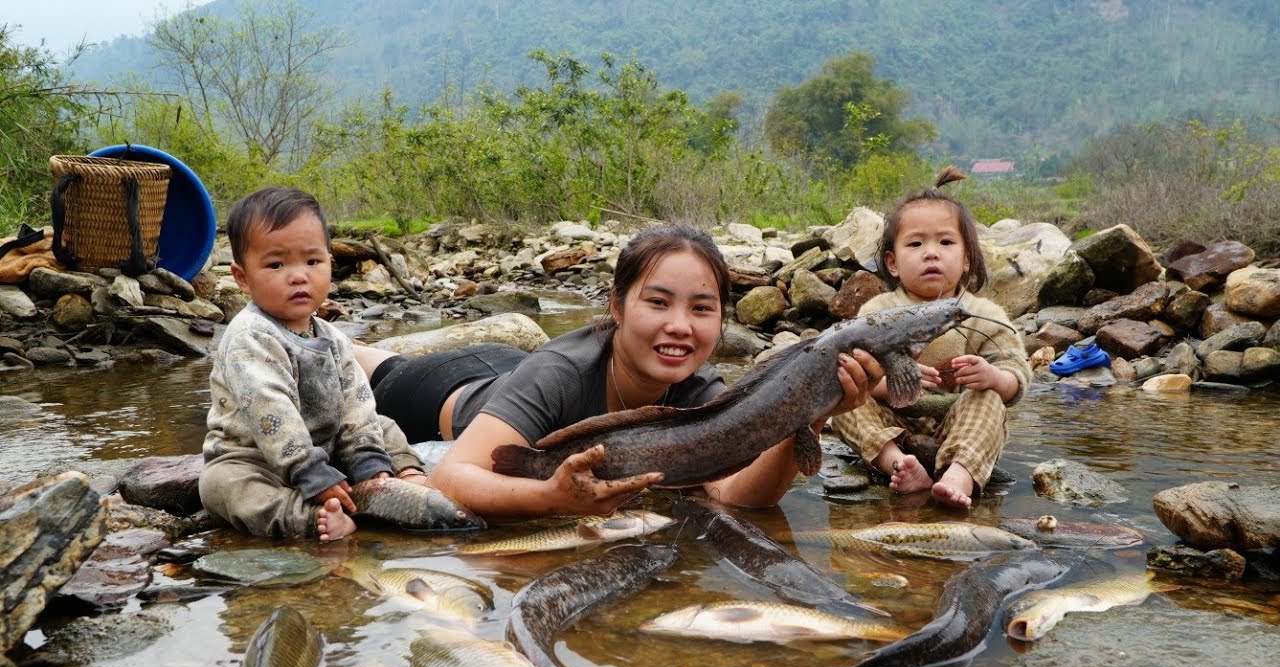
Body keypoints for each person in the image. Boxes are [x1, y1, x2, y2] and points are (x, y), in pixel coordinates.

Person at [355, 222, 880, 521]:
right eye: (658, 302)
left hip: (519, 373)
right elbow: (450, 476)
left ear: (722, 318)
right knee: (375, 368)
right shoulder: (560, 372)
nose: (680, 326)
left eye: (701, 309)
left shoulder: (701, 392)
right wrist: (548, 498)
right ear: (618, 306)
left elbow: (736, 494)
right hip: (454, 390)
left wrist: (809, 414)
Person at [199, 187, 425, 542]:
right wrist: (310, 473)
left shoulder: (332, 336)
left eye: (312, 262)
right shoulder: (248, 336)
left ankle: (404, 479)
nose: (298, 276)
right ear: (243, 278)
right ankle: (308, 517)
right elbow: (269, 409)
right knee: (220, 485)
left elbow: (356, 401)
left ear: (330, 264)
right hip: (258, 457)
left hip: (326, 447)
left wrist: (368, 461)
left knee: (381, 424)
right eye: (276, 265)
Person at [830, 167, 1032, 509]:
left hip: (957, 424)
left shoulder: (983, 313)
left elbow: (1018, 375)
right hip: (893, 424)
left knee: (990, 400)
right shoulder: (879, 310)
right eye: (916, 243)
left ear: (967, 258)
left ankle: (958, 476)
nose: (931, 252)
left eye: (946, 242)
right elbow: (857, 370)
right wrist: (890, 380)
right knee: (845, 401)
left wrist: (994, 377)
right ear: (892, 263)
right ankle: (899, 467)